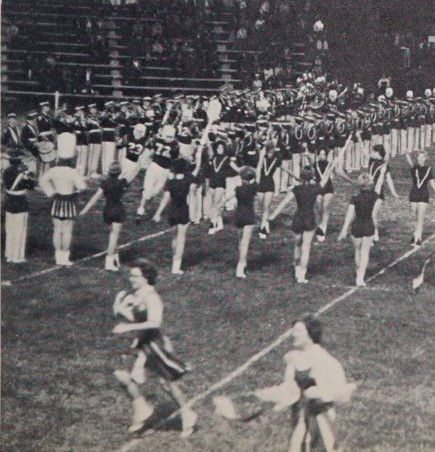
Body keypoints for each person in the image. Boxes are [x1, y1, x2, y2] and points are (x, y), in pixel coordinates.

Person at [112, 259, 197, 436]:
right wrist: (119, 309)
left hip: (153, 345)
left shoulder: (152, 297)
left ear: (146, 277)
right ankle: (142, 408)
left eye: (135, 276)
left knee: (166, 383)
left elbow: (154, 322)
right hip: (142, 344)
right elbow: (136, 318)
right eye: (131, 275)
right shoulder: (136, 295)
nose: (131, 279)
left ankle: (188, 413)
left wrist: (127, 327)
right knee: (121, 374)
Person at [255, 314, 355, 452]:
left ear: (310, 334)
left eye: (298, 331)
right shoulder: (293, 359)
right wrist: (265, 395)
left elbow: (342, 394)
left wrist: (319, 393)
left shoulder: (326, 361)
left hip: (321, 425)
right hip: (300, 423)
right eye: (293, 331)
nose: (293, 334)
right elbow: (288, 390)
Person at [269, 136, 351, 283]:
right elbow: (325, 179)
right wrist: (332, 167)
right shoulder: (316, 188)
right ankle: (302, 275)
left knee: (297, 244)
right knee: (306, 247)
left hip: (297, 218)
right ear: (312, 176)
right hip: (309, 219)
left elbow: (283, 203)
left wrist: (272, 216)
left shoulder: (296, 188)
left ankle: (296, 269)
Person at [152, 154, 203, 275]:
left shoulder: (170, 181)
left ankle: (174, 259)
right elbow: (192, 193)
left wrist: (158, 213)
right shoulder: (189, 179)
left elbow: (166, 198)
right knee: (181, 238)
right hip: (183, 210)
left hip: (172, 211)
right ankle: (176, 266)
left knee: (174, 237)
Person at [337, 167, 387, 287]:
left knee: (357, 251)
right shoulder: (374, 196)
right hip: (368, 225)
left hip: (357, 226)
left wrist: (344, 230)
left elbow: (349, 215)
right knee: (365, 252)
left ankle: (358, 272)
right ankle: (360, 277)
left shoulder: (355, 198)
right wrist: (382, 173)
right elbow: (379, 184)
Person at [80, 161, 132, 271]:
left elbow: (95, 197)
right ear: (119, 172)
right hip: (118, 209)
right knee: (114, 236)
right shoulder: (123, 182)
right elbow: (131, 175)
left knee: (113, 236)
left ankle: (115, 258)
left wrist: (85, 210)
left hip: (107, 209)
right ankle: (109, 262)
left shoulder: (105, 183)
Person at [40, 158, 86, 266]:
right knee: (67, 230)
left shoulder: (53, 170)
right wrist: (76, 191)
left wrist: (51, 192)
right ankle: (65, 258)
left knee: (57, 230)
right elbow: (82, 186)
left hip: (57, 201)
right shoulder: (71, 171)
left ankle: (58, 257)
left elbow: (42, 181)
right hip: (68, 201)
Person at [214, 166, 258, 279]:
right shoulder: (253, 188)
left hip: (238, 215)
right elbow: (258, 175)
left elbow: (226, 199)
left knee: (240, 240)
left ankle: (242, 262)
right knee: (245, 242)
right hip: (249, 216)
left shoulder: (238, 189)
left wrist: (217, 207)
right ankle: (241, 266)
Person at [137, 125, 180, 217]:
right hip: (154, 166)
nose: (170, 138)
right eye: (168, 136)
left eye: (171, 136)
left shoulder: (175, 144)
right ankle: (141, 208)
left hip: (165, 170)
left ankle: (145, 206)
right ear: (163, 135)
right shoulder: (157, 140)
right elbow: (150, 152)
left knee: (155, 191)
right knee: (147, 189)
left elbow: (174, 159)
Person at [3, 151, 36, 263]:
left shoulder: (5, 171)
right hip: (20, 201)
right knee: (19, 229)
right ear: (20, 159)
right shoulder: (24, 171)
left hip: (8, 201)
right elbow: (31, 186)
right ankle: (17, 256)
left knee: (10, 228)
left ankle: (9, 254)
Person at [365, 144, 399, 243]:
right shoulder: (371, 161)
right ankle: (373, 233)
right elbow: (364, 152)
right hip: (368, 190)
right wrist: (358, 139)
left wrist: (394, 193)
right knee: (368, 213)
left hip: (378, 192)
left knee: (372, 214)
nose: (371, 153)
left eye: (373, 152)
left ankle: (374, 235)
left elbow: (389, 180)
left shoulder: (384, 165)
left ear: (378, 153)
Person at [405, 149, 435, 247]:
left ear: (426, 158)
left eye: (422, 157)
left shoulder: (429, 169)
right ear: (416, 158)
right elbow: (408, 159)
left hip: (423, 194)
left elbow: (432, 183)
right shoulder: (414, 168)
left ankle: (418, 237)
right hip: (413, 194)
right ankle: (415, 235)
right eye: (419, 157)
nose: (420, 159)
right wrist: (406, 152)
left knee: (420, 216)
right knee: (415, 216)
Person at [257, 141, 282, 239]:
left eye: (272, 151)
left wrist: (277, 189)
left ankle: (262, 228)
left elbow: (276, 174)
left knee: (266, 207)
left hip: (270, 184)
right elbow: (258, 169)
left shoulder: (276, 159)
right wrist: (261, 157)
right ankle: (265, 223)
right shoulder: (262, 159)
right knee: (261, 207)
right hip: (261, 184)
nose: (270, 154)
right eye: (269, 151)